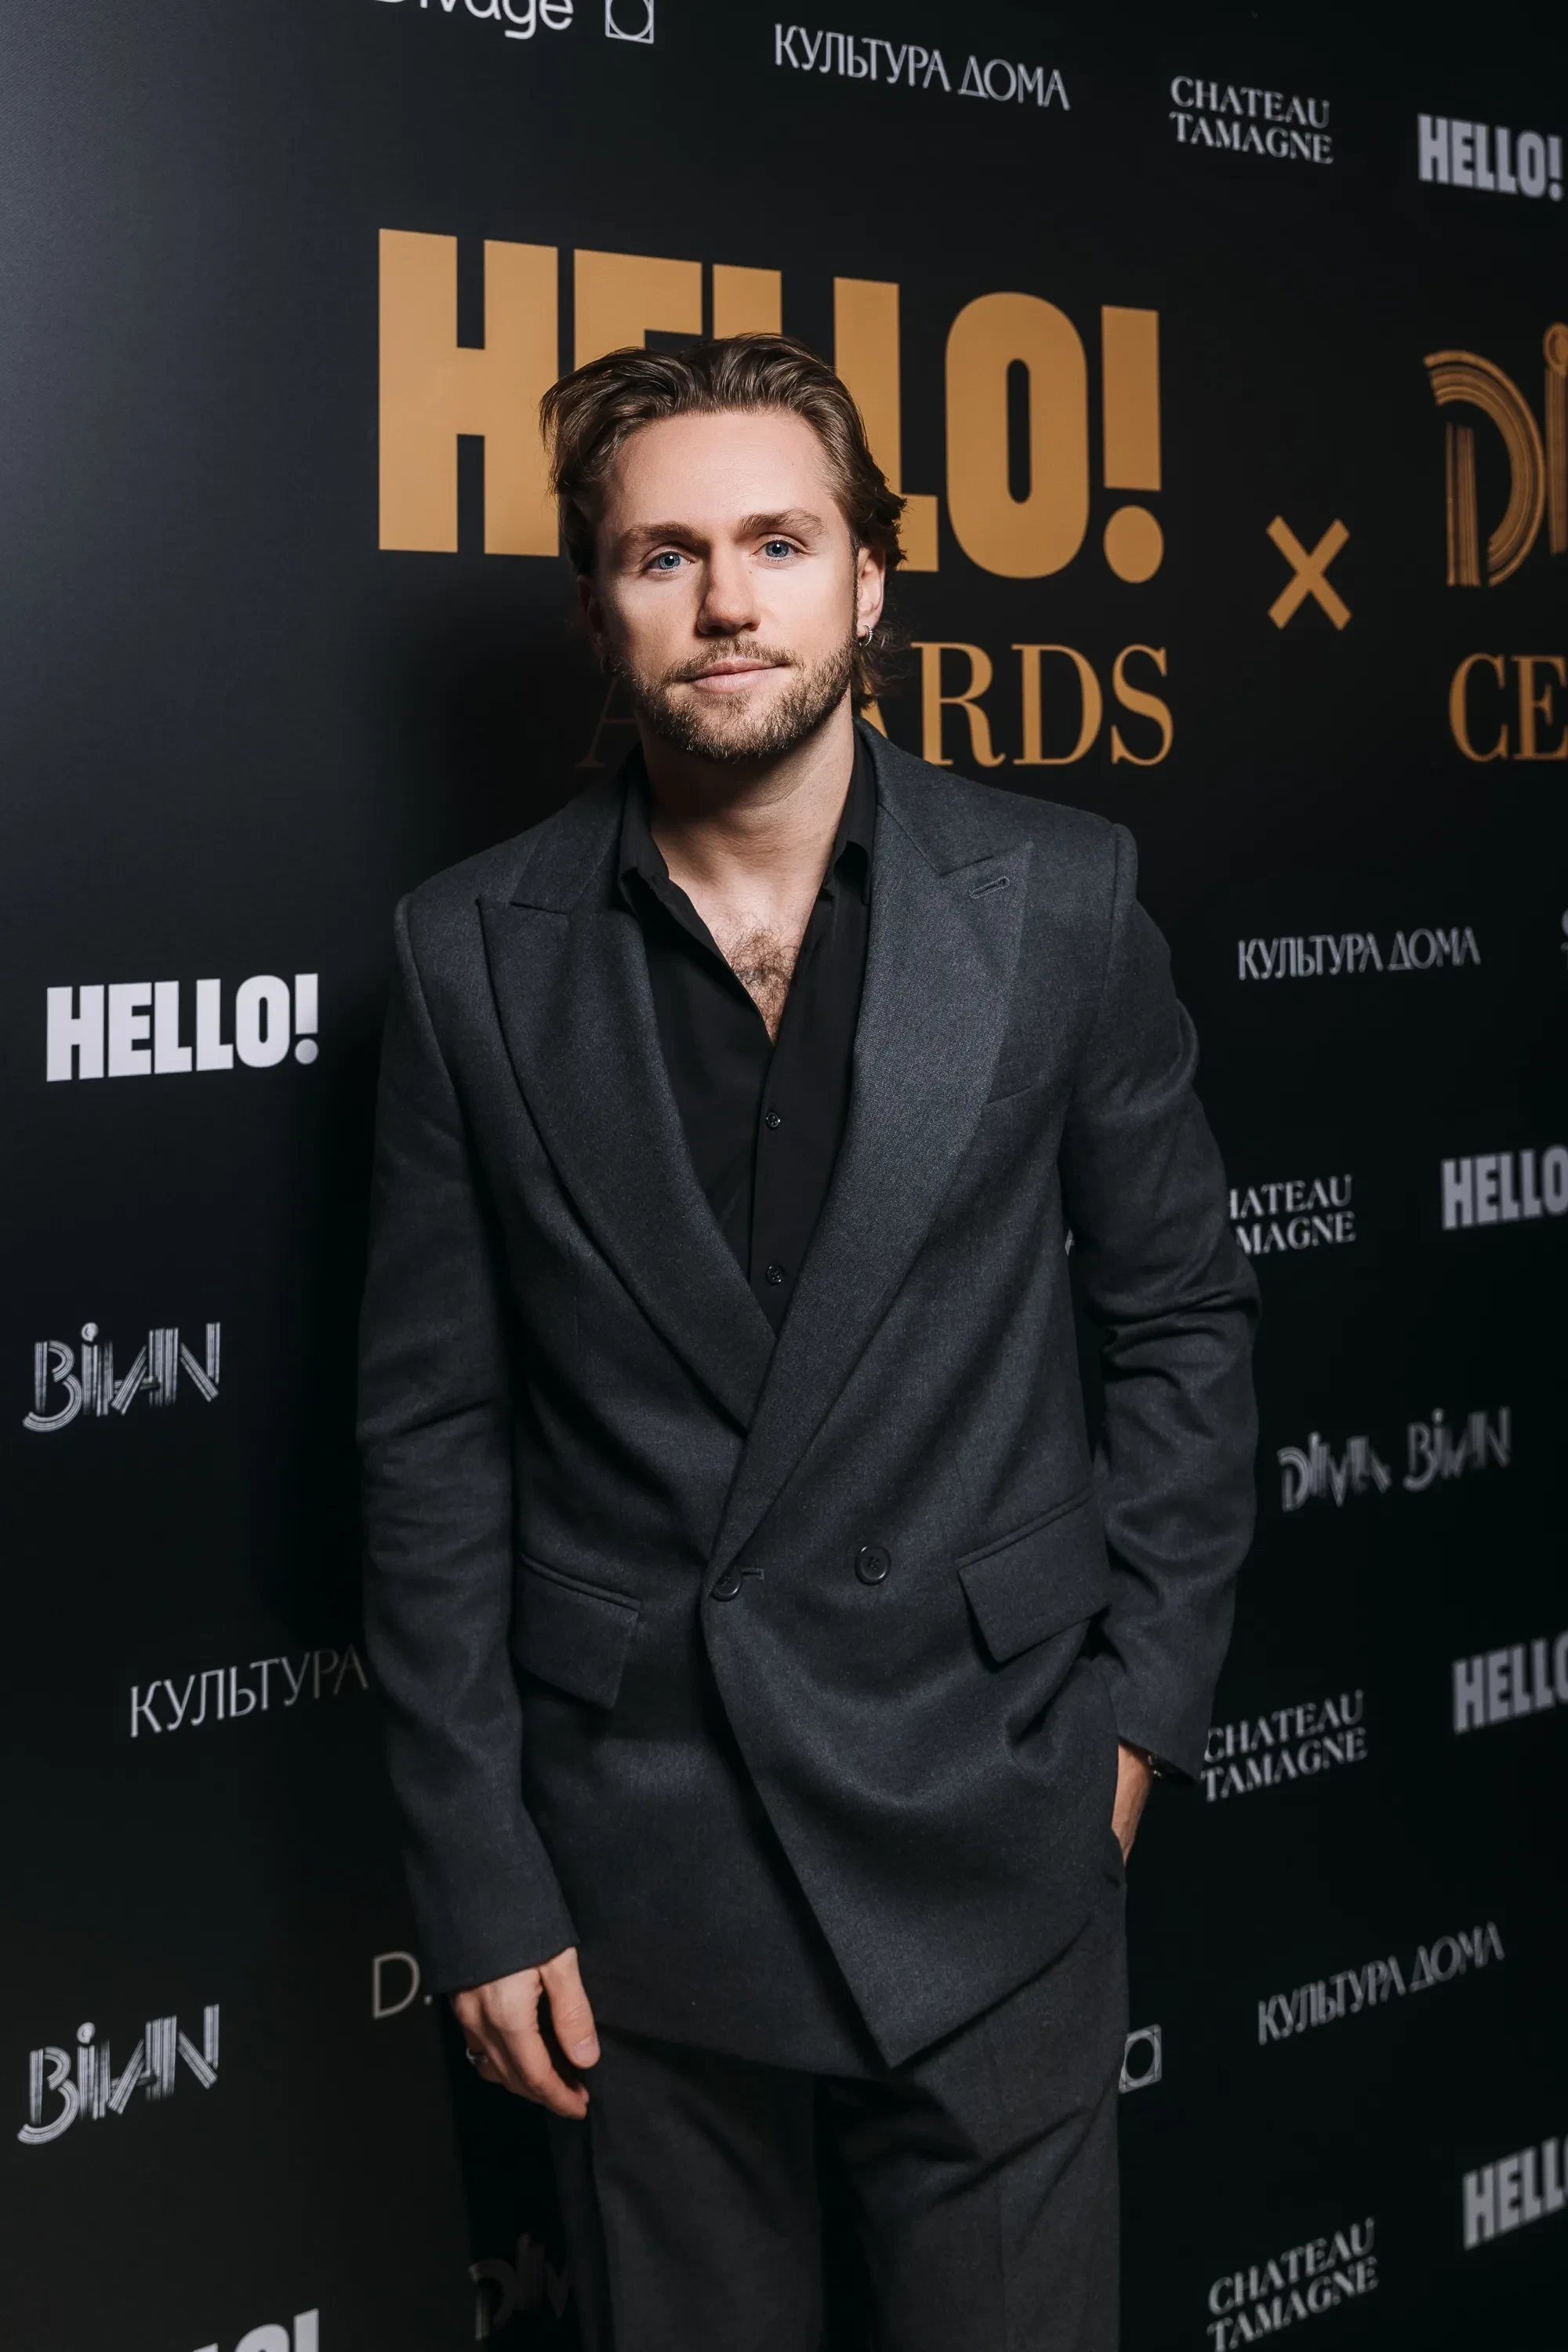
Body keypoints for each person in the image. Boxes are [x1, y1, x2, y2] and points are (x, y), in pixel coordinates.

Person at [358, 332, 1258, 2351]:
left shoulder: (1056, 900)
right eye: (663, 554)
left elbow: (1184, 1317)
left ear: (869, 579)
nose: (727, 602)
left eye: (777, 542)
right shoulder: (465, 954)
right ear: (599, 602)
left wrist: (1128, 1734)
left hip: (996, 1834)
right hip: (640, 1880)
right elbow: (432, 1439)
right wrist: (482, 1877)